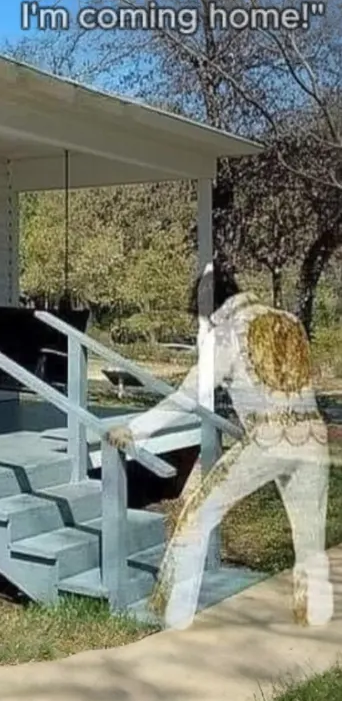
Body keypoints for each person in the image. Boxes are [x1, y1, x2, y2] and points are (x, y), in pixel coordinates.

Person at [107, 264, 331, 631]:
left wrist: (135, 429)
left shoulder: (226, 334)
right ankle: (314, 619)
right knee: (310, 539)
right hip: (313, 437)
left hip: (268, 440)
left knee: (196, 516)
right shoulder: (289, 321)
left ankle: (173, 615)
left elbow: (188, 397)